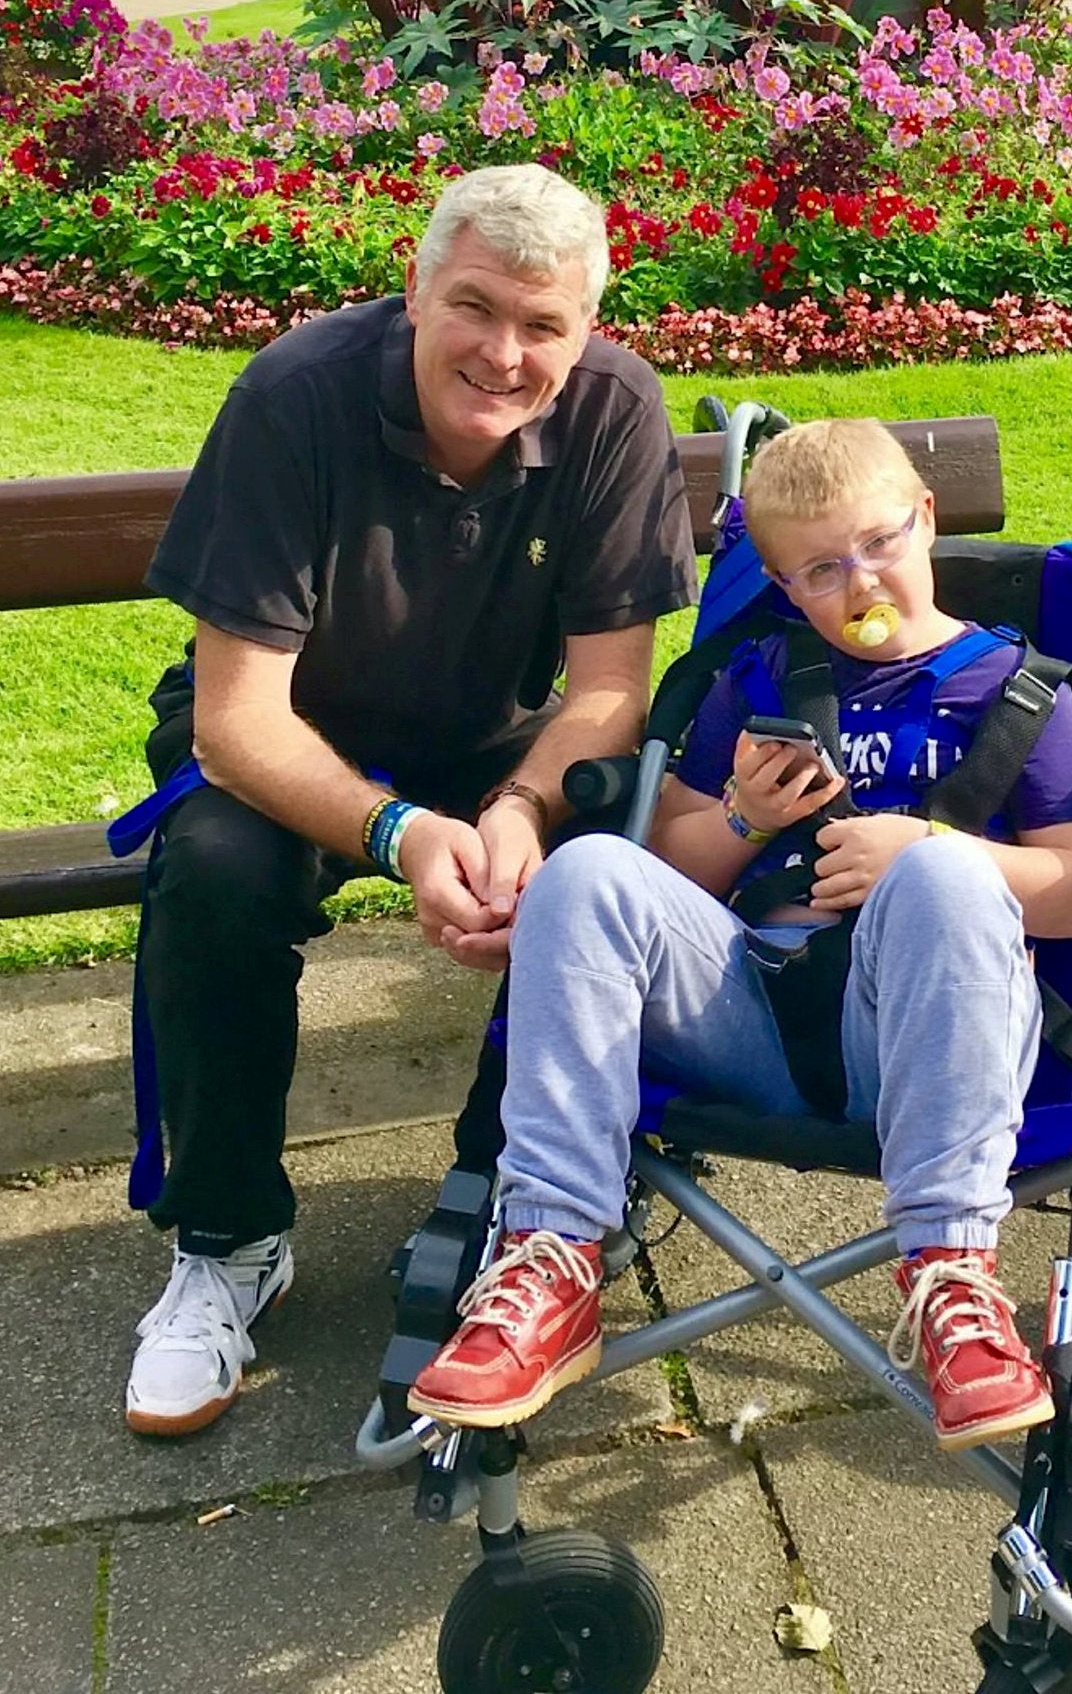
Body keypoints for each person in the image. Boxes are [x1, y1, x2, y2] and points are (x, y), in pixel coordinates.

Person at [124, 164, 697, 1438]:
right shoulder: (296, 395)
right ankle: (226, 1239)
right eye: (475, 309)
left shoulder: (614, 411)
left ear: (587, 329)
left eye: (543, 325)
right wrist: (397, 827)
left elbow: (609, 691)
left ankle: (511, 1198)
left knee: (615, 861)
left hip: (499, 738)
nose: (505, 353)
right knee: (217, 871)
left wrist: (523, 809)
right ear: (416, 288)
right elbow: (235, 720)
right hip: (288, 736)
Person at [406, 418, 1072, 1454]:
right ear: (784, 584)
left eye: (877, 544)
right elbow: (664, 869)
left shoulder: (1019, 693)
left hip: (928, 1040)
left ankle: (953, 1273)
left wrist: (924, 845)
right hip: (751, 1012)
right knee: (589, 869)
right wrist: (742, 818)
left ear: (924, 520)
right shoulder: (763, 680)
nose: (860, 580)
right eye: (823, 569)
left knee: (944, 871)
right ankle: (552, 1250)